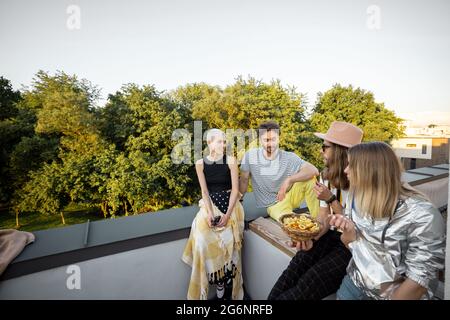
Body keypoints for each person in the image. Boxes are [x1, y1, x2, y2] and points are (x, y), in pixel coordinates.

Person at [330, 142, 445, 300]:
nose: (345, 170)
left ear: (370, 171)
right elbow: (352, 244)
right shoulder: (355, 197)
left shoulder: (422, 214)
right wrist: (348, 233)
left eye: (351, 165)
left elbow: (418, 282)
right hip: (354, 283)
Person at [268, 121, 363, 300]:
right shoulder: (326, 175)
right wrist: (310, 237)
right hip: (330, 237)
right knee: (294, 269)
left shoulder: (362, 183)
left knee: (312, 280)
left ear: (339, 151)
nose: (321, 151)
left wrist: (330, 199)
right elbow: (324, 216)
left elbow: (355, 230)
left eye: (325, 147)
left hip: (352, 247)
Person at [182, 129, 245, 300]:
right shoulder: (200, 163)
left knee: (229, 243)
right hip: (210, 204)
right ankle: (213, 281)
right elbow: (204, 191)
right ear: (209, 143)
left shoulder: (231, 161)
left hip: (230, 205)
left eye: (224, 142)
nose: (223, 145)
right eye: (219, 141)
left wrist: (227, 215)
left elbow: (235, 190)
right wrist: (210, 214)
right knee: (202, 241)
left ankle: (222, 286)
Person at [239, 121, 319, 222]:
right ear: (260, 140)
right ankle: (298, 222)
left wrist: (289, 180)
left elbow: (314, 170)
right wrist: (238, 200)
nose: (270, 144)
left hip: (290, 196)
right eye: (266, 140)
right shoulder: (250, 156)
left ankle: (318, 219)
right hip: (274, 205)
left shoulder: (289, 157)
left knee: (310, 179)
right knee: (293, 222)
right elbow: (243, 181)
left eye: (273, 139)